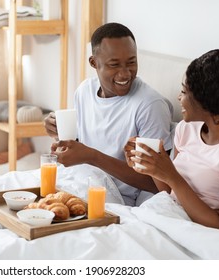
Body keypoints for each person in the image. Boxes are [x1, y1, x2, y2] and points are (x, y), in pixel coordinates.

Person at [125, 49, 219, 233]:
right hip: (165, 216)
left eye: (184, 91)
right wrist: (151, 165)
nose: (179, 98)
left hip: (199, 232)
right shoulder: (186, 128)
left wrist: (171, 175)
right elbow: (168, 192)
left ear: (208, 101)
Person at [44, 22, 174, 206]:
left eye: (131, 62)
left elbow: (159, 184)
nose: (125, 74)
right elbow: (80, 147)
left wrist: (92, 156)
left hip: (114, 201)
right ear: (94, 63)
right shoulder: (84, 91)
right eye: (114, 65)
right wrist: (58, 133)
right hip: (77, 184)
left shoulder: (149, 105)